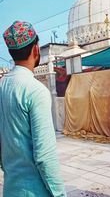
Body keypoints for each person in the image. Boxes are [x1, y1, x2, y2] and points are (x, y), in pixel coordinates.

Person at [0, 21, 67, 197]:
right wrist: (60, 194)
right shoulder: (36, 91)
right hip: (35, 191)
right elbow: (45, 157)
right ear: (36, 49)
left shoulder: (2, 86)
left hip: (10, 189)